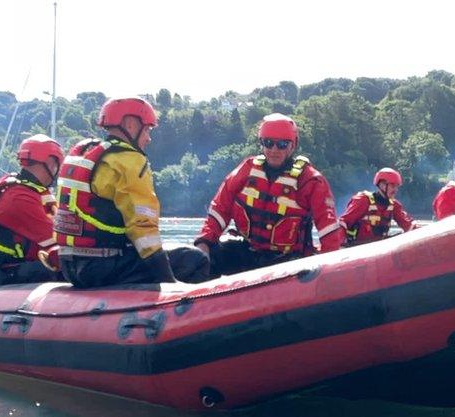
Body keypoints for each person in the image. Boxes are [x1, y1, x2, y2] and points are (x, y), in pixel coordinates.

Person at [53, 97, 208, 287]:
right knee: (194, 259)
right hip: (103, 268)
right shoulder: (129, 161)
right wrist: (168, 280)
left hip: (70, 267)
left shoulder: (85, 154)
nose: (149, 138)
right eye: (148, 130)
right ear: (130, 125)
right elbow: (142, 227)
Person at [194, 113, 343, 277]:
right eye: (268, 143)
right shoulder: (247, 170)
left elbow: (328, 230)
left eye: (282, 144)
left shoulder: (310, 181)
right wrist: (204, 242)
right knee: (200, 257)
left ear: (292, 146)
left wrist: (330, 271)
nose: (274, 150)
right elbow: (220, 209)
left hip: (288, 260)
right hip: (247, 251)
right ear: (261, 144)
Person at [0, 134, 66, 288]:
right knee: (71, 268)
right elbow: (57, 240)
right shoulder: (18, 197)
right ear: (51, 163)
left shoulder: (26, 190)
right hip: (2, 272)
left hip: (13, 267)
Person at [340, 167, 416, 246]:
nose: (396, 190)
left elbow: (408, 225)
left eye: (397, 186)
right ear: (382, 185)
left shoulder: (394, 205)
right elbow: (344, 222)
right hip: (357, 248)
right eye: (393, 186)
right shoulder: (363, 200)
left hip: (379, 249)